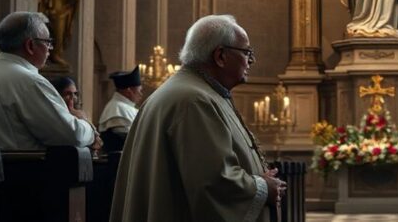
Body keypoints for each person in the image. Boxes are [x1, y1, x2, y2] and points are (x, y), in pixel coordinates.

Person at [110, 14, 285, 222]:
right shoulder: (195, 101)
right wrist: (264, 187)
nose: (251, 60)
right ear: (220, 56)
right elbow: (213, 182)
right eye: (247, 52)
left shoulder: (195, 92)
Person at [0, 12, 97, 150]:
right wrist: (87, 126)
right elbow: (72, 135)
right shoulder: (29, 81)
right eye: (48, 42)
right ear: (30, 46)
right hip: (21, 169)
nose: (51, 49)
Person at [98, 66, 143, 151]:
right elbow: (128, 141)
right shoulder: (117, 108)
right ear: (129, 91)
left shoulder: (123, 107)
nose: (141, 94)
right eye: (139, 90)